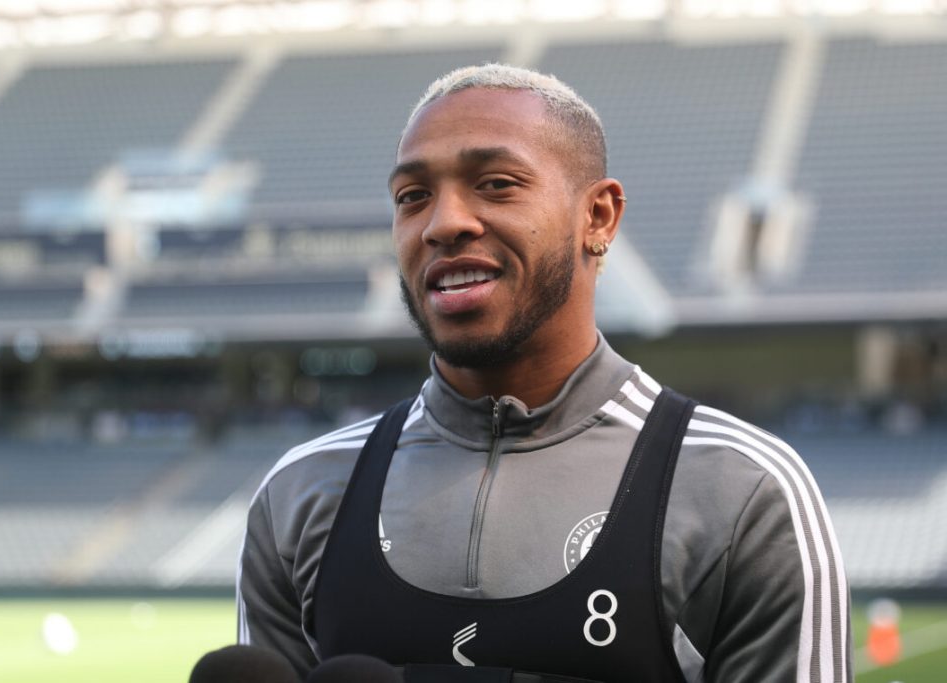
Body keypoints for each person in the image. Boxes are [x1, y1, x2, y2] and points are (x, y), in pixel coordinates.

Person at [237, 64, 851, 683]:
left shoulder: (742, 490)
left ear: (599, 217)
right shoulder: (301, 494)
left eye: (497, 183)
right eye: (412, 197)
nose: (443, 223)